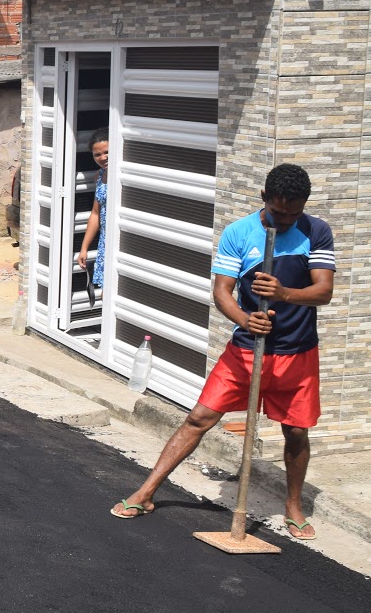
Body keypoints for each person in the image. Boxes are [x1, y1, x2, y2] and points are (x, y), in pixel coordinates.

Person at [112, 164, 335, 540]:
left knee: (297, 431)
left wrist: (283, 294)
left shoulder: (316, 231)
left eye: (293, 213)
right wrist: (247, 320)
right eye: (278, 213)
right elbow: (222, 292)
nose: (285, 220)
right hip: (246, 351)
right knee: (199, 418)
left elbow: (323, 291)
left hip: (298, 352)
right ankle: (146, 492)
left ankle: (293, 506)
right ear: (264, 198)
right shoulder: (239, 233)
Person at [77, 128, 110, 297]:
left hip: (120, 241)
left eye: (106, 152)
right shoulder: (99, 176)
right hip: (105, 241)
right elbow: (96, 214)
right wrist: (84, 249)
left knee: (109, 294)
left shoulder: (124, 176)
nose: (102, 158)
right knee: (105, 293)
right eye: (97, 155)